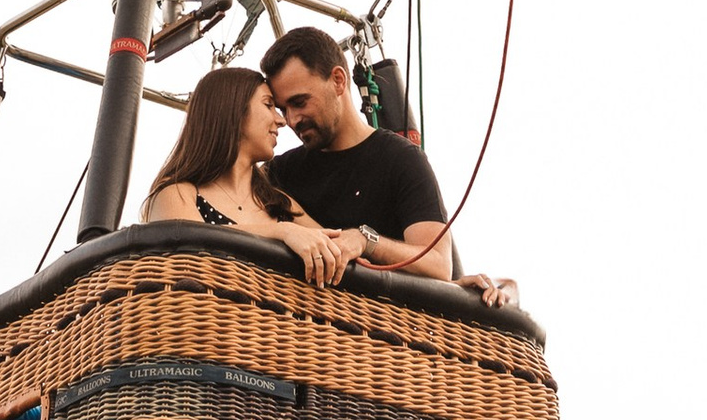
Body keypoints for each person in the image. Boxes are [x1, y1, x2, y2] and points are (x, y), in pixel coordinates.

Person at [264, 29, 506, 297]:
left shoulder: (400, 159)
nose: (292, 119)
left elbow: (438, 264)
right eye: (283, 109)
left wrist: (365, 240)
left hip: (380, 330)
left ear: (338, 81)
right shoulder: (280, 172)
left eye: (299, 102)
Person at [141, 64, 361, 285]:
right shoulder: (178, 193)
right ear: (232, 109)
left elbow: (337, 250)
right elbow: (190, 243)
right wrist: (281, 232)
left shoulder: (281, 204)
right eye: (268, 105)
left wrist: (364, 238)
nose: (282, 120)